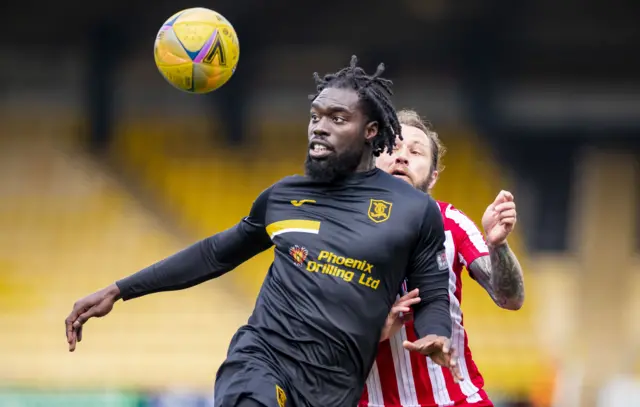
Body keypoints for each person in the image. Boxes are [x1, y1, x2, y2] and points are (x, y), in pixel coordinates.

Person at [64, 57, 462, 407]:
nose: (319, 128)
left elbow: (431, 294)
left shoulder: (414, 210)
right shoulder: (283, 196)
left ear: (371, 131)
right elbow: (214, 254)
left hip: (333, 386)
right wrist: (120, 289)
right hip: (261, 357)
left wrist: (435, 335)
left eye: (338, 119)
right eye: (315, 117)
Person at [361, 109, 525, 407]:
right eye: (392, 147)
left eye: (415, 151)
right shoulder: (339, 228)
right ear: (372, 161)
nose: (402, 157)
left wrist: (497, 245)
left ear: (433, 177)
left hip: (458, 400)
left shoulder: (453, 223)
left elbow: (510, 298)